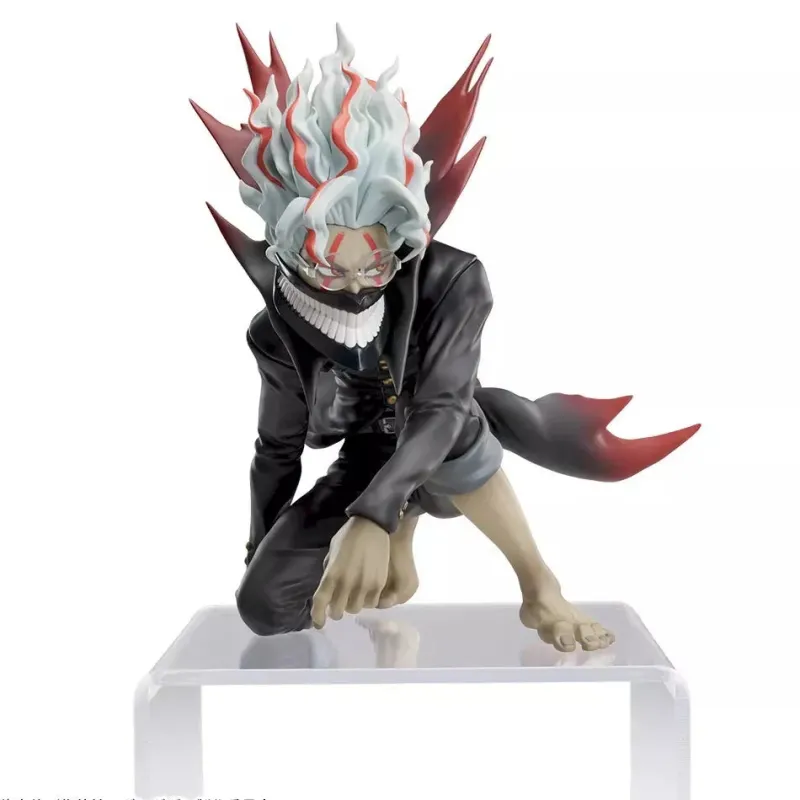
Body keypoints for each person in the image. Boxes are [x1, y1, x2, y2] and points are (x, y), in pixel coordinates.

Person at [192, 25, 699, 652]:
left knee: (449, 423)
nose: (356, 286)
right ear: (290, 247)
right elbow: (277, 450)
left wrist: (372, 517)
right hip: (368, 455)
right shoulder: (275, 332)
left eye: (375, 263)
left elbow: (442, 407)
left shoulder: (451, 280)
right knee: (266, 608)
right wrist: (259, 551)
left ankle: (540, 586)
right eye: (329, 267)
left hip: (449, 430)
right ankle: (401, 525)